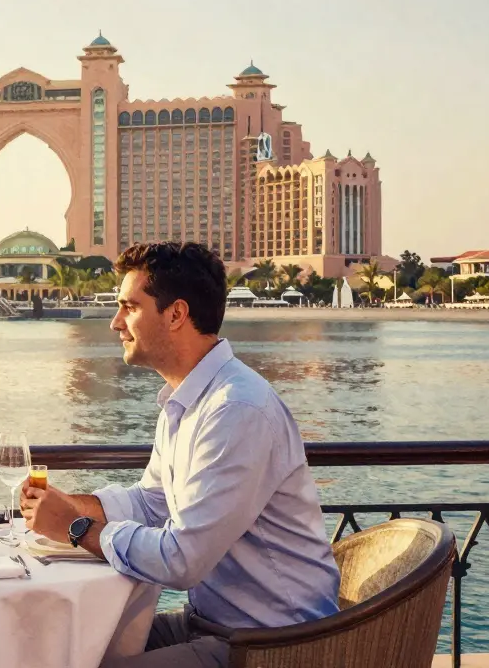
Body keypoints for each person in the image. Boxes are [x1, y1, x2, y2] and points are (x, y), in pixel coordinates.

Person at [22, 242, 340, 667]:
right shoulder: (187, 401)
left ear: (176, 314)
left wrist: (77, 528)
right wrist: (70, 506)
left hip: (276, 643)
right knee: (59, 646)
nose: (116, 323)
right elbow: (152, 504)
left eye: (129, 307)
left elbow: (181, 559)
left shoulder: (235, 409)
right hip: (212, 623)